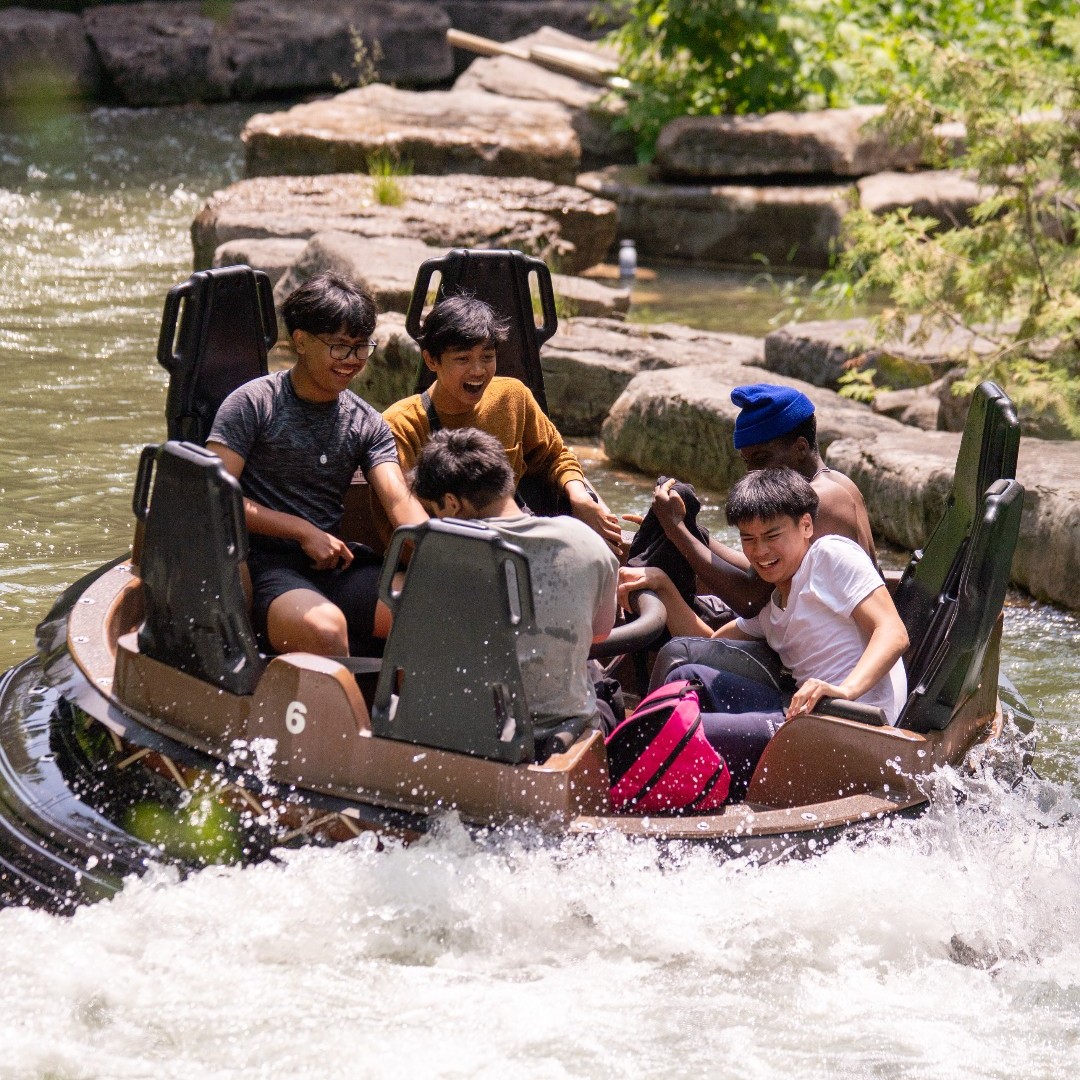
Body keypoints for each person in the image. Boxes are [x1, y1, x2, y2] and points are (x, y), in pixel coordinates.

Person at [618, 467, 908, 798]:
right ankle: (671, 777)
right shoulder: (773, 606)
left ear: (806, 526)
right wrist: (661, 583)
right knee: (687, 671)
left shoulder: (829, 556)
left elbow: (893, 631)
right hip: (803, 714)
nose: (761, 553)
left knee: (672, 733)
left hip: (851, 726)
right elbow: (706, 643)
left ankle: (646, 782)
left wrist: (844, 690)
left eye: (772, 537)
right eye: (749, 540)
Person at [207, 271, 427, 658]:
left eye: (362, 348)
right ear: (301, 341)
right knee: (325, 629)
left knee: (433, 609)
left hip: (337, 566)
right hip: (264, 570)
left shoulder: (366, 422)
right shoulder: (254, 403)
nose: (352, 361)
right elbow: (213, 497)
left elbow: (398, 499)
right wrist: (300, 530)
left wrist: (446, 548)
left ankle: (410, 717)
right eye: (340, 347)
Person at [412, 426, 620, 759]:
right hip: (565, 734)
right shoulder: (588, 542)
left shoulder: (445, 555)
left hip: (473, 740)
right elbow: (600, 633)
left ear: (451, 503)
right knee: (605, 691)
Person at [380, 294, 624, 556]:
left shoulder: (512, 396)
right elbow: (400, 516)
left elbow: (555, 455)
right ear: (431, 361)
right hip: (449, 555)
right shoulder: (401, 424)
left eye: (487, 357)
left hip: (517, 539)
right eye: (463, 359)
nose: (478, 370)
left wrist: (579, 496)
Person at [639, 382, 880, 618]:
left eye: (762, 458)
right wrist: (692, 530)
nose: (753, 473)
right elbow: (761, 570)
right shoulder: (838, 482)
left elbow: (750, 599)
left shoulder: (820, 500)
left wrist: (676, 530)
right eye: (747, 463)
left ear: (800, 448)